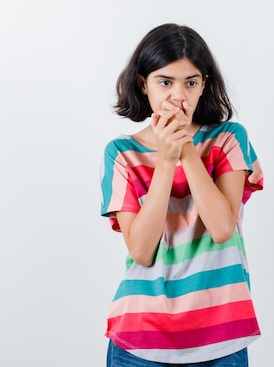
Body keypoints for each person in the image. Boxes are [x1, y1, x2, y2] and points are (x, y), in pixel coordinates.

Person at [100, 23, 264, 367]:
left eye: (190, 82)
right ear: (143, 84)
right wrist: (165, 161)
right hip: (140, 337)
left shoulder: (229, 139)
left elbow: (221, 228)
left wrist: (186, 149)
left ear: (204, 84)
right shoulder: (122, 153)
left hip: (221, 335)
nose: (179, 95)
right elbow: (141, 251)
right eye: (165, 82)